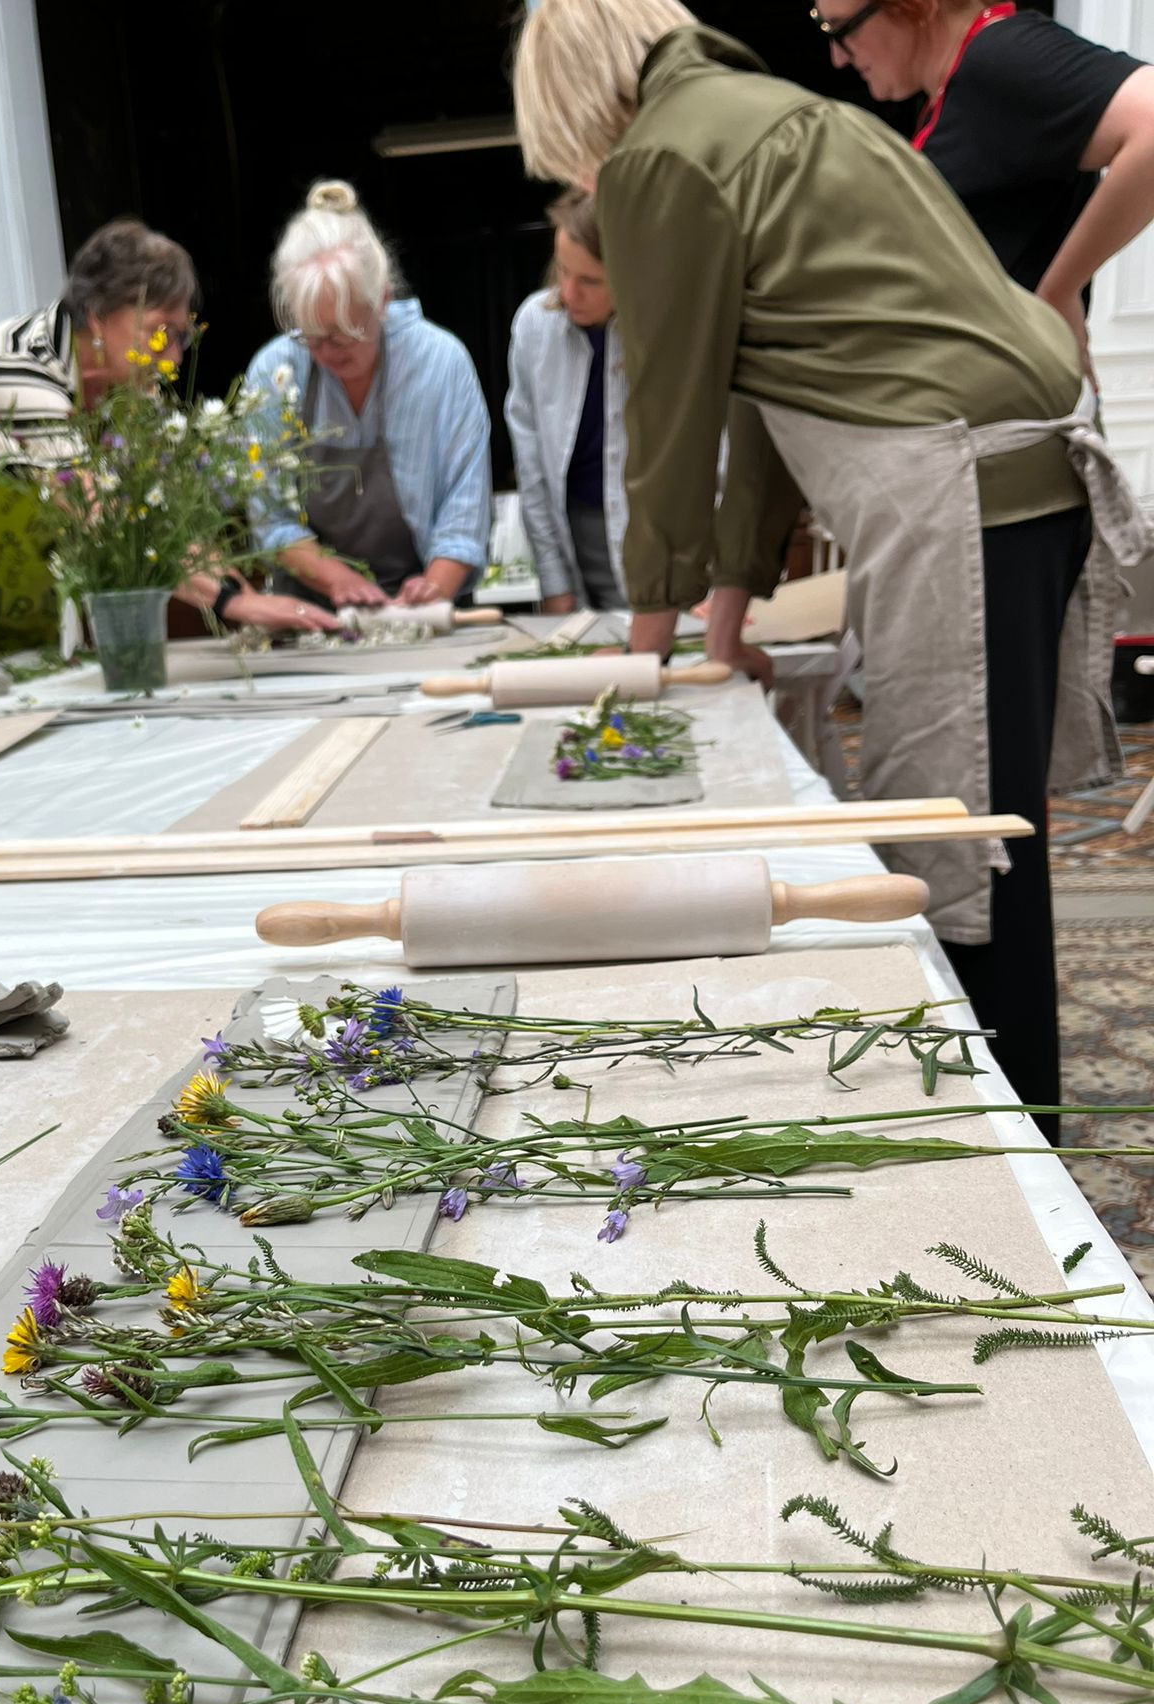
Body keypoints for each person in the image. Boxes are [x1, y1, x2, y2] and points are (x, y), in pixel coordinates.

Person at [513, 0, 1148, 1134]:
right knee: (990, 840)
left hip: (967, 491)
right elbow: (764, 408)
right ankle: (1010, 1129)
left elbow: (667, 419)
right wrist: (717, 623)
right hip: (1014, 478)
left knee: (952, 858)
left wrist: (639, 656)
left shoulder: (661, 157)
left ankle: (1011, 1158)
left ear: (566, 92)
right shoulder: (778, 115)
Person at [0, 218, 337, 654]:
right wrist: (236, 603)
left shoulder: (133, 394)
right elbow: (100, 513)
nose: (174, 358)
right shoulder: (12, 366)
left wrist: (249, 598)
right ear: (99, 317)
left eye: (182, 337)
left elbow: (167, 523)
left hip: (26, 608)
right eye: (161, 334)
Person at [818, 2, 1154, 379]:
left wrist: (1058, 294)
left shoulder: (1001, 56)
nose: (838, 57)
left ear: (913, 7)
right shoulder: (960, 86)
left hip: (1003, 415)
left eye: (843, 29)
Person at [245, 181, 492, 610]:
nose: (325, 354)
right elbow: (271, 515)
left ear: (381, 302)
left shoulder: (439, 362)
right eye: (311, 337)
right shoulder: (275, 371)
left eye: (342, 335)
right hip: (313, 611)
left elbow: (463, 511)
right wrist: (336, 579)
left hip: (427, 606)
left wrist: (431, 591)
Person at [506, 191, 628, 613]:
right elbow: (532, 466)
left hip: (655, 552)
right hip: (575, 540)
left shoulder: (670, 333)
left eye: (589, 281)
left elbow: (715, 461)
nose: (568, 291)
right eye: (562, 270)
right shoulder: (535, 325)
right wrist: (555, 583)